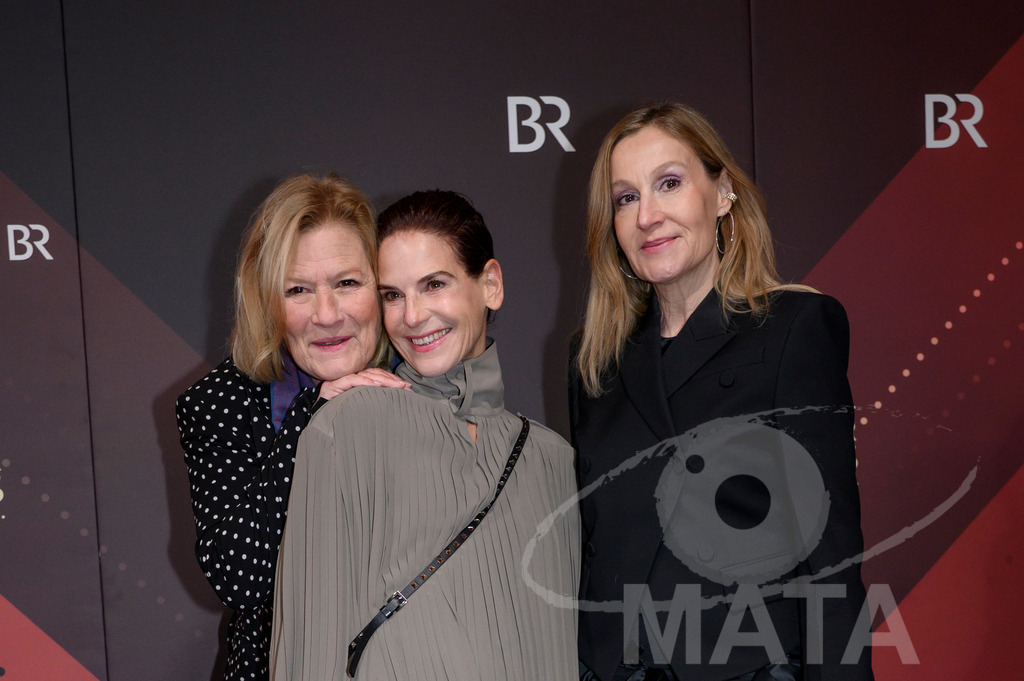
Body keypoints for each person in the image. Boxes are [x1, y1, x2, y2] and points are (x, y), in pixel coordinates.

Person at [570, 103, 873, 681]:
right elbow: (594, 549)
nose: (648, 216)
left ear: (723, 192)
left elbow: (832, 558)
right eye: (626, 198)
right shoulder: (593, 359)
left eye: (669, 184)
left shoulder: (794, 328)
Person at [270, 190, 580, 680]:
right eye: (393, 295)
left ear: (491, 284)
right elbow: (309, 652)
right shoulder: (345, 428)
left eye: (434, 284)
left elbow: (557, 649)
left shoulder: (552, 459)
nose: (412, 316)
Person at [176, 173, 408, 681]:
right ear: (267, 301)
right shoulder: (219, 403)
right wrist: (312, 421)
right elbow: (241, 579)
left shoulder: (426, 386)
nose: (326, 315)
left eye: (347, 283)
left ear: (382, 286)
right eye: (298, 289)